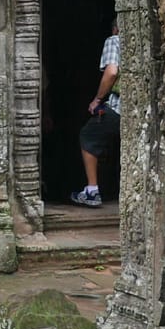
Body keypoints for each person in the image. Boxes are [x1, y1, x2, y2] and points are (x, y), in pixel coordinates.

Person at [72, 17, 121, 206]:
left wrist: (97, 99)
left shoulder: (114, 40)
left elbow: (112, 72)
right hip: (143, 111)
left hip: (118, 108)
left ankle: (92, 190)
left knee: (88, 135)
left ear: (116, 28)